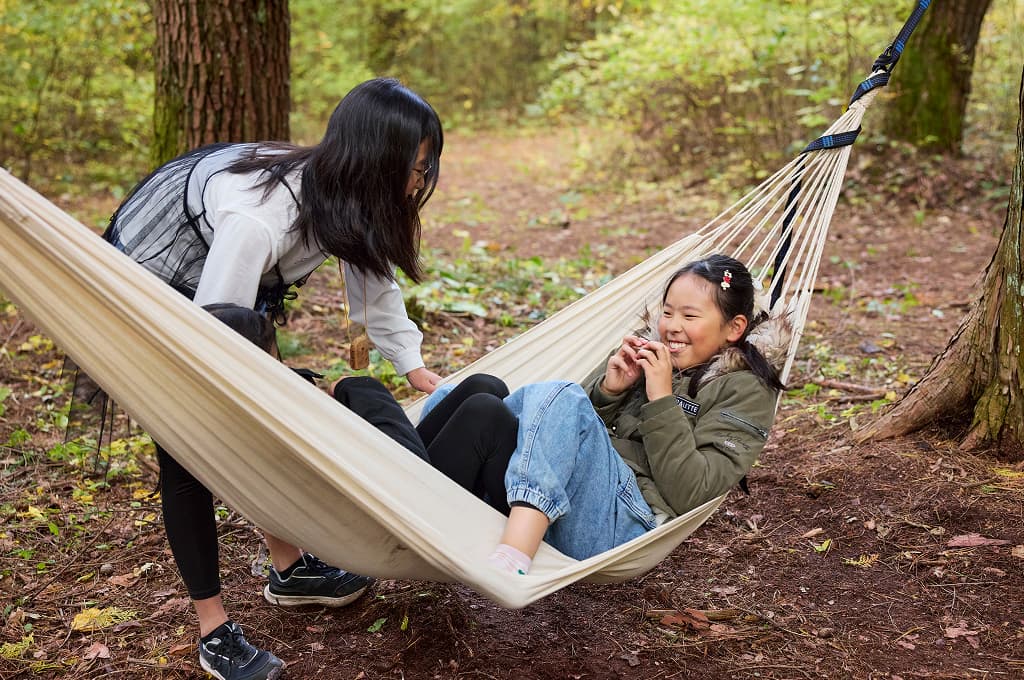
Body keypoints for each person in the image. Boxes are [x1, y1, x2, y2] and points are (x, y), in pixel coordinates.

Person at [102, 78, 444, 680]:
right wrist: (286, 385)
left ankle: (286, 570)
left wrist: (417, 371)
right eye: (415, 168)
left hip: (234, 295)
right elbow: (212, 343)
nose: (420, 182)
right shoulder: (259, 224)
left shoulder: (343, 198)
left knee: (266, 413)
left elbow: (374, 289)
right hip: (165, 282)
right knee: (188, 446)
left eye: (425, 167)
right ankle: (213, 628)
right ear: (375, 163)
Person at [473, 254, 790, 575]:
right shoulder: (647, 352)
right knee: (480, 400)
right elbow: (555, 433)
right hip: (572, 495)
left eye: (690, 316)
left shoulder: (745, 390)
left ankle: (515, 556)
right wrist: (610, 391)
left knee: (562, 397)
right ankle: (432, 505)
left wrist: (661, 398)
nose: (672, 327)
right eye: (667, 312)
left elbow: (693, 492)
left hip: (624, 524)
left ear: (734, 327)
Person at [333, 374, 518, 514]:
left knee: (484, 394)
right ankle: (526, 520)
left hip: (408, 485)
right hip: (410, 506)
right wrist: (353, 387)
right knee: (486, 401)